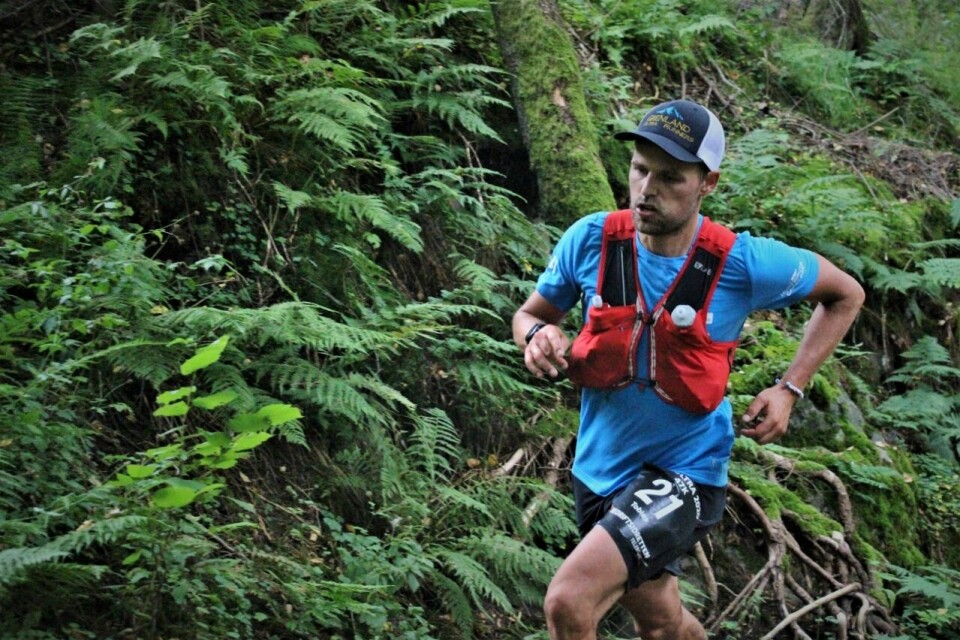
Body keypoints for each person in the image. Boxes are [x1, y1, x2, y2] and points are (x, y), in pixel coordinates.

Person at [512, 98, 865, 640]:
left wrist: (789, 388)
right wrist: (538, 336)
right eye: (640, 169)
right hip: (599, 466)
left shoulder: (743, 263)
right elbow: (531, 314)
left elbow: (845, 294)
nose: (647, 188)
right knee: (659, 620)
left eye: (671, 177)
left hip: (685, 472)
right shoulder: (591, 240)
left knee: (569, 601)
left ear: (708, 184)